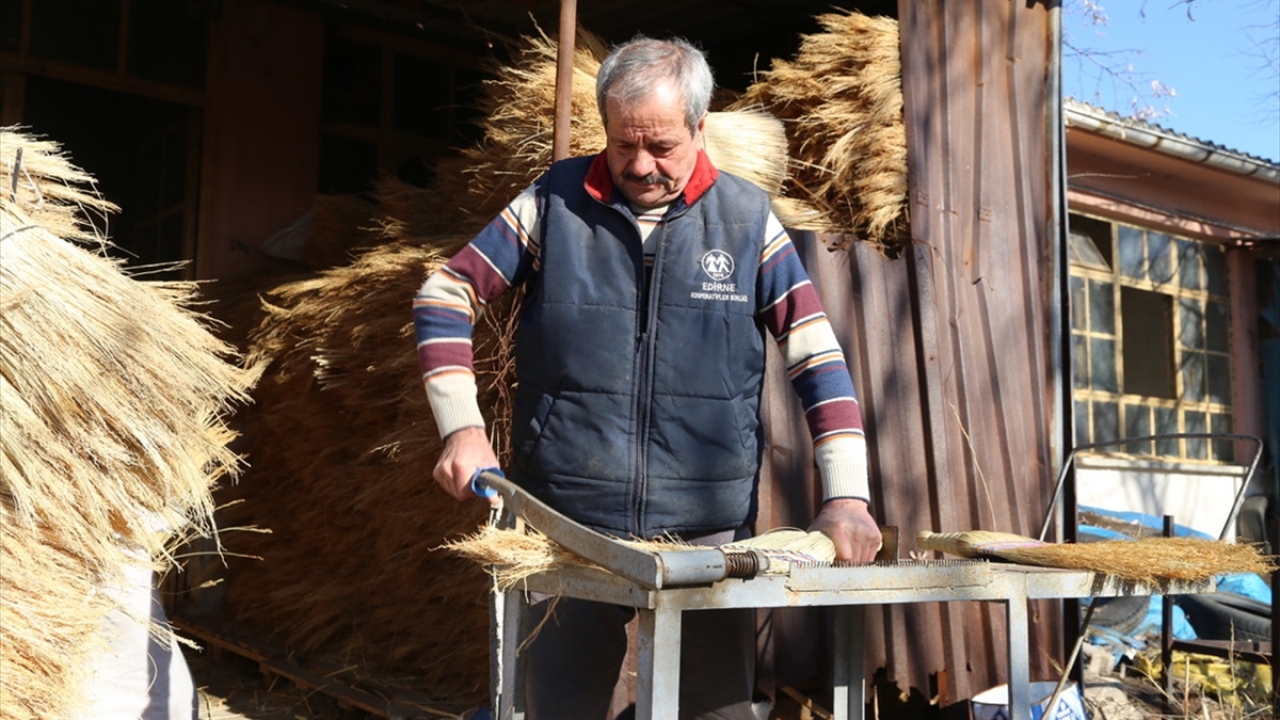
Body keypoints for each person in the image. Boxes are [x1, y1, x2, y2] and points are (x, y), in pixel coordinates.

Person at [414, 35, 881, 720]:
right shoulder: (555, 203)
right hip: (564, 523)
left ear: (699, 126)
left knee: (712, 712)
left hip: (708, 533)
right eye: (622, 143)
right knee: (557, 709)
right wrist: (461, 428)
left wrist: (848, 498)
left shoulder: (748, 222)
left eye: (661, 146)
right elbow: (445, 294)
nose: (639, 165)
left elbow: (818, 360)